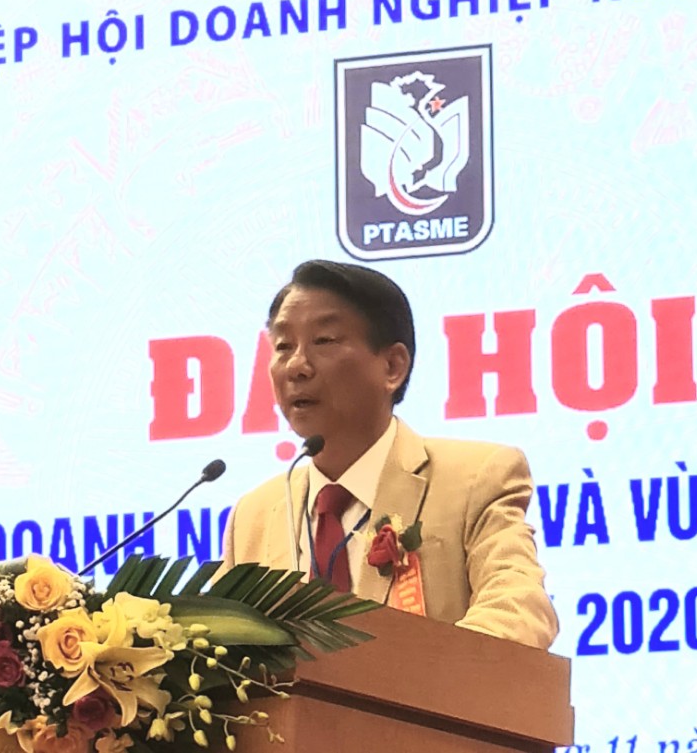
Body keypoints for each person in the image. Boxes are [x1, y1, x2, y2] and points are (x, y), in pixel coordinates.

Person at [220, 259, 558, 649]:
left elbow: (520, 612)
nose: (296, 365)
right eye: (283, 346)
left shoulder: (476, 480)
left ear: (393, 366)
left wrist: (412, 676)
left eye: (323, 341)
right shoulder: (254, 517)